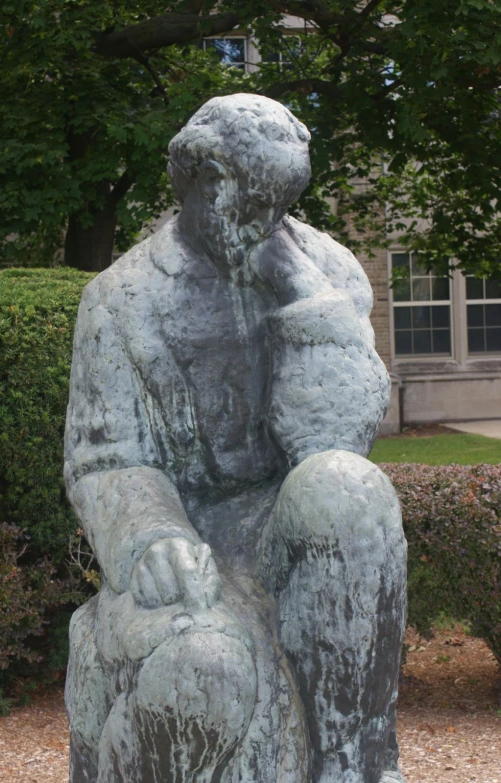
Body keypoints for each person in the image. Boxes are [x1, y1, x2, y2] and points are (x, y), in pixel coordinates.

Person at [64, 93, 407, 783]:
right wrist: (150, 536)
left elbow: (336, 438)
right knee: (206, 670)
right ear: (200, 178)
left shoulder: (327, 271)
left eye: (285, 204)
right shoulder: (120, 298)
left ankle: (352, 760)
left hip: (283, 527)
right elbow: (107, 457)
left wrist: (307, 302)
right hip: (191, 538)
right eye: (255, 204)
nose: (270, 224)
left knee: (348, 488)